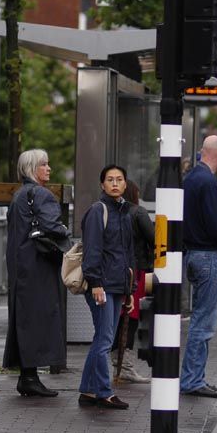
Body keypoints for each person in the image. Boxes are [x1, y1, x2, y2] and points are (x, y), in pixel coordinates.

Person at [3, 149, 71, 397]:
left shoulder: (19, 195)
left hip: (20, 265)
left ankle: (27, 375)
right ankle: (30, 377)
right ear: (33, 168)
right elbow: (53, 226)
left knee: (24, 319)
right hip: (38, 264)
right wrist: (64, 228)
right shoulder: (42, 194)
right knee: (42, 316)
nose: (49, 169)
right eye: (44, 164)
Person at [181, 136, 217, 398]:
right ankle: (192, 380)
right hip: (209, 257)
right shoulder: (209, 182)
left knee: (200, 318)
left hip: (193, 254)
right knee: (204, 321)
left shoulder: (191, 179)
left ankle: (195, 377)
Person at [79, 164, 134, 409]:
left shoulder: (125, 212)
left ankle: (89, 390)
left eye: (119, 179)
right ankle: (104, 391)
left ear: (125, 184)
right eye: (109, 179)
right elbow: (92, 251)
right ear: (102, 184)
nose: (114, 183)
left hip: (116, 285)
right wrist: (96, 283)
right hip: (101, 286)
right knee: (104, 339)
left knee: (102, 338)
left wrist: (128, 290)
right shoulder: (97, 211)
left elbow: (126, 255)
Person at [113, 180, 153, 384]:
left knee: (117, 317)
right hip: (136, 271)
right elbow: (154, 239)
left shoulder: (113, 211)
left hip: (115, 271)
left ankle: (116, 364)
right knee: (132, 316)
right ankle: (125, 366)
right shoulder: (139, 213)